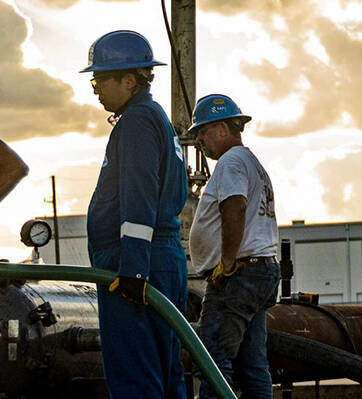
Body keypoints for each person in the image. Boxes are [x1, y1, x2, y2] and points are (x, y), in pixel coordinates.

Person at [81, 30, 188, 398]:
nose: (95, 89)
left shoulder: (138, 122)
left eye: (100, 80)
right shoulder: (156, 119)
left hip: (137, 263)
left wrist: (133, 269)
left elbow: (138, 198)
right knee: (163, 370)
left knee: (135, 379)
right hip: (161, 259)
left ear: (129, 80)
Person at [188, 94, 279, 399]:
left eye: (203, 132)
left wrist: (226, 262)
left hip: (238, 275)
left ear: (224, 128)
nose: (200, 140)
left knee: (212, 357)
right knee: (253, 364)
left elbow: (235, 206)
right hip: (261, 272)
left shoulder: (230, 162)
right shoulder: (253, 164)